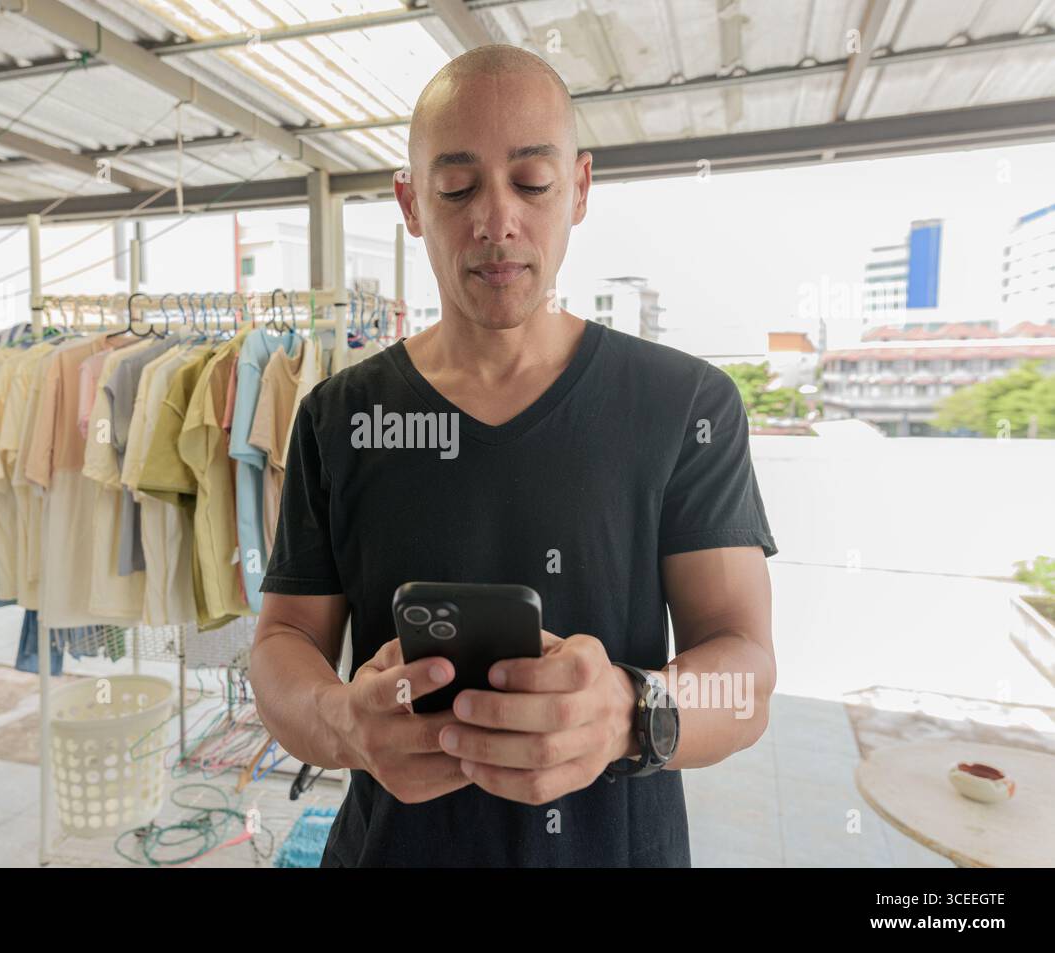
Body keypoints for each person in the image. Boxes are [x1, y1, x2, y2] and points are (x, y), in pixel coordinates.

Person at [249, 43, 777, 867]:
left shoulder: (684, 406)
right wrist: (345, 722)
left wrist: (629, 713)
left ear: (580, 188)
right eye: (456, 187)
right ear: (411, 201)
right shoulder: (338, 417)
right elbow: (283, 641)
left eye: (531, 181)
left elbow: (745, 675)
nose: (497, 221)